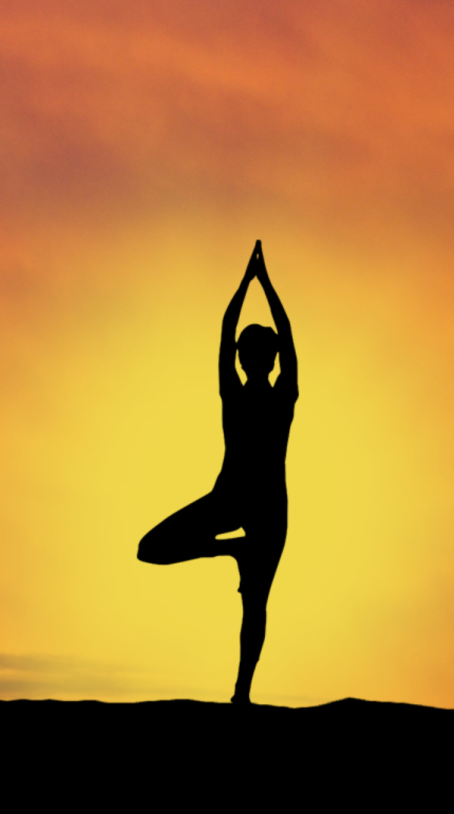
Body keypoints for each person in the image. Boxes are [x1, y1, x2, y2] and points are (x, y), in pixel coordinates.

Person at [137, 240, 298, 704]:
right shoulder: (240, 392)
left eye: (257, 354)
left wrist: (257, 283)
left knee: (256, 606)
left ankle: (241, 696)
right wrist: (255, 283)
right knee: (150, 548)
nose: (251, 359)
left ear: (264, 360)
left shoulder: (282, 394)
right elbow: (230, 334)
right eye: (248, 354)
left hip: (267, 509)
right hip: (229, 499)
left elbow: (279, 336)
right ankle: (230, 551)